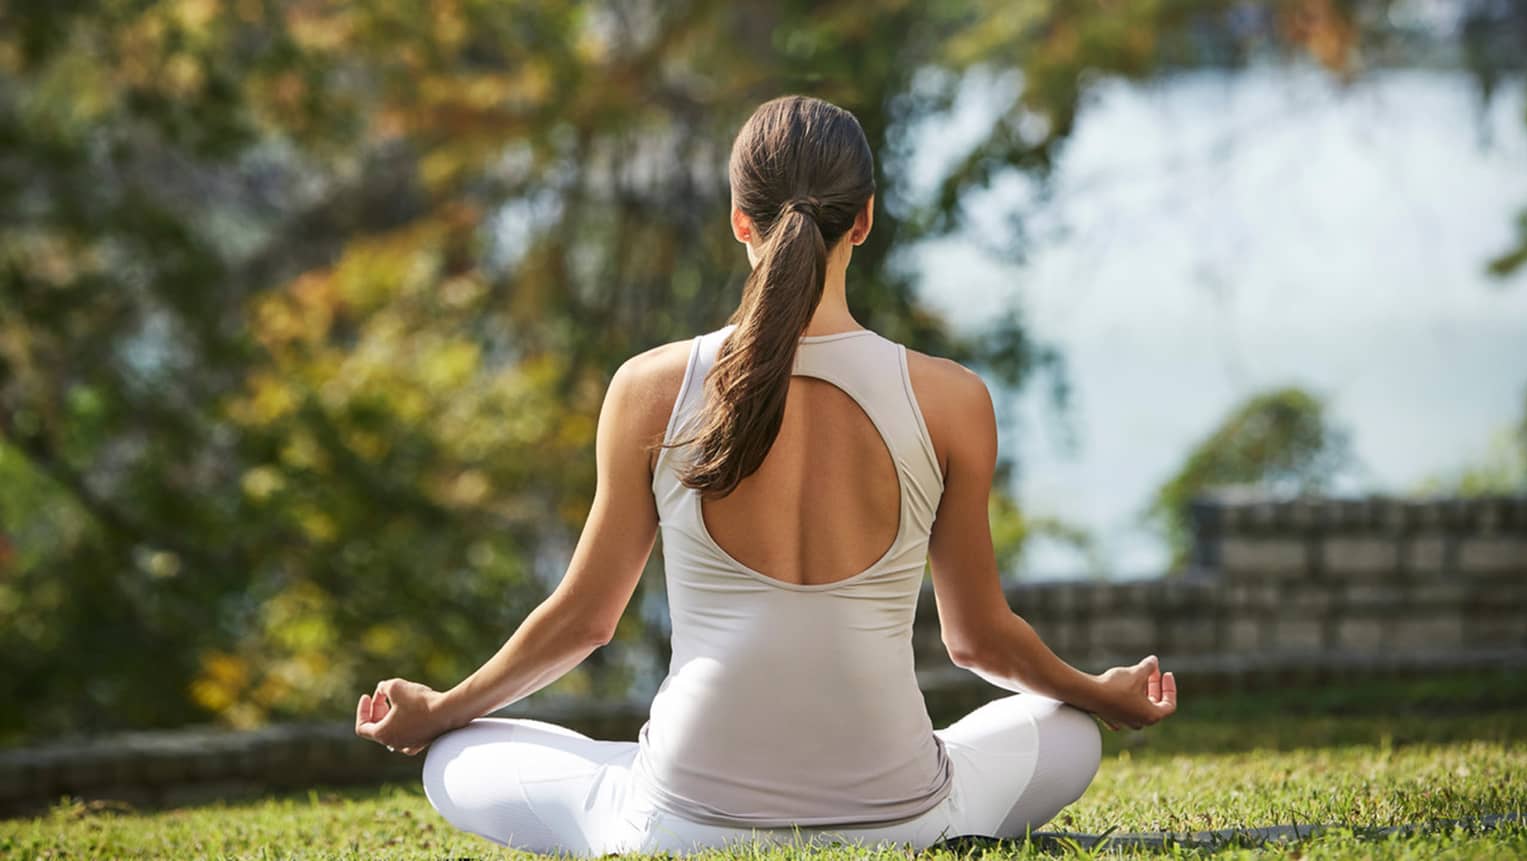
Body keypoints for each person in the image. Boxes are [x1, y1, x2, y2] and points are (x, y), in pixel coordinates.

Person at [353, 93, 1177, 857]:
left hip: (680, 820)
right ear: (865, 220)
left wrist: (443, 708)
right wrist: (1100, 695)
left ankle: (625, 780)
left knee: (459, 754)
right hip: (902, 815)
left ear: (739, 222)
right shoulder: (951, 399)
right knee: (1065, 727)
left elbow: (585, 623)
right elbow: (977, 641)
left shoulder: (651, 386)